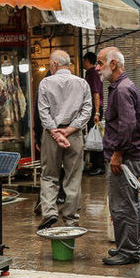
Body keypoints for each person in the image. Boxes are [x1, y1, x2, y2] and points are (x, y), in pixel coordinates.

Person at [97, 46, 140, 266]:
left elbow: (127, 125)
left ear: (113, 64)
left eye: (100, 63)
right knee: (128, 203)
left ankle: (129, 250)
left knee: (122, 205)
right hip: (128, 156)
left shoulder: (122, 89)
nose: (97, 68)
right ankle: (129, 247)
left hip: (125, 158)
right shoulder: (121, 87)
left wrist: (117, 153)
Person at [36, 50, 93, 231]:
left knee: (49, 175)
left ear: (53, 64)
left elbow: (43, 111)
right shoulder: (82, 83)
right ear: (68, 64)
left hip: (52, 135)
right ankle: (70, 218)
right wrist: (69, 130)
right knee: (73, 176)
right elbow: (87, 111)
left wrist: (56, 132)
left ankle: (50, 212)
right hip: (74, 134)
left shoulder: (45, 83)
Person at [82, 52, 105, 176]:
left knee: (96, 138)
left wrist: (96, 112)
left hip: (95, 110)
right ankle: (95, 164)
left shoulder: (93, 74)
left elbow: (96, 93)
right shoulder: (90, 73)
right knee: (93, 136)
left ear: (87, 61)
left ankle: (99, 166)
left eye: (84, 60)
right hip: (92, 109)